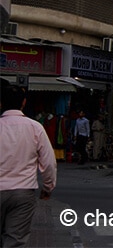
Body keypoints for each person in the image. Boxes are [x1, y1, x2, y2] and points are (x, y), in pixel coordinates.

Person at [0, 81, 57, 247]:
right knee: (15, 241)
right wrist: (47, 187)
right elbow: (49, 163)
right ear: (23, 102)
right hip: (23, 192)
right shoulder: (35, 128)